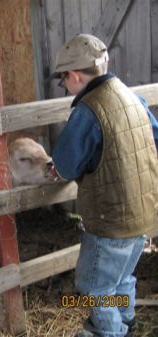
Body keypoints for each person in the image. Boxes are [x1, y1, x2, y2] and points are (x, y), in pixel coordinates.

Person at [50, 34, 158, 337]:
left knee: (95, 287)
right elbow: (155, 139)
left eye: (63, 81)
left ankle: (112, 332)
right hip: (144, 215)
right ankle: (127, 324)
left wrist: (54, 168)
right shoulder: (130, 97)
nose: (66, 88)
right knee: (122, 278)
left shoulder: (88, 110)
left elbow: (67, 164)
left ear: (73, 75)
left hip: (111, 223)